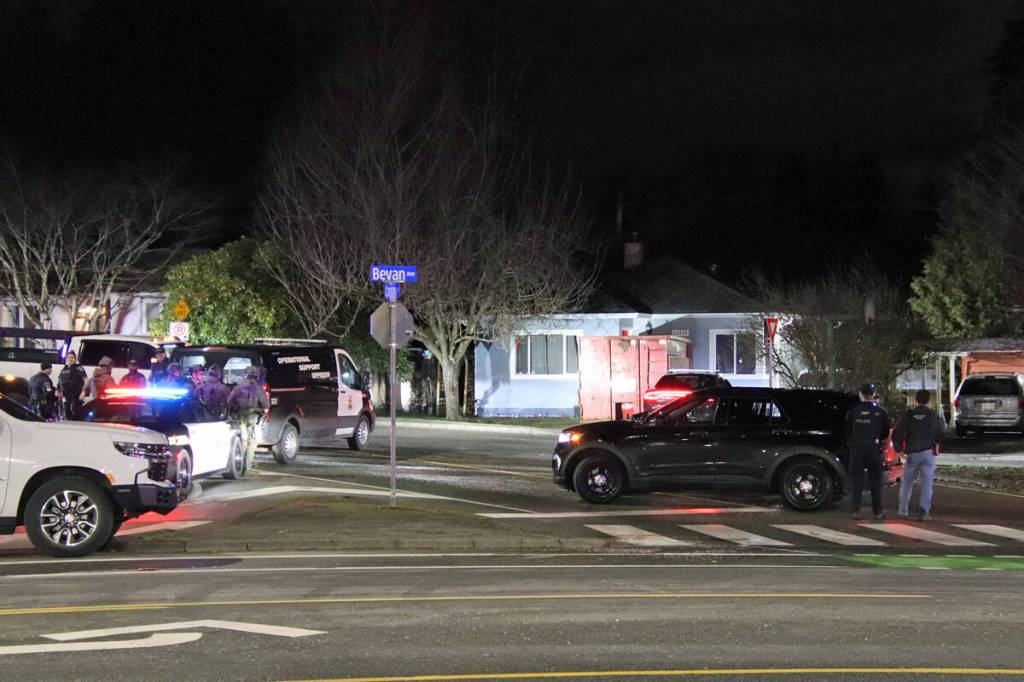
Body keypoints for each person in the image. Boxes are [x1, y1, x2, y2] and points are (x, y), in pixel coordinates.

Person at [893, 389, 946, 521]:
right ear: (928, 400)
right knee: (927, 483)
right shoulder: (932, 415)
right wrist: (937, 442)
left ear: (916, 400)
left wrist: (898, 449)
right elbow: (941, 433)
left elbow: (897, 432)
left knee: (907, 482)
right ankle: (924, 510)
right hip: (928, 451)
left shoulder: (910, 414)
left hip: (912, 452)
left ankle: (903, 510)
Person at [845, 383, 891, 520]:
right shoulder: (880, 412)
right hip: (873, 449)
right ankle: (878, 511)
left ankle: (855, 510)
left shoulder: (853, 412)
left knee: (856, 480)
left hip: (857, 449)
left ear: (860, 394)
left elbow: (848, 431)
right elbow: (885, 432)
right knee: (875, 482)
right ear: (873, 394)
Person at [228, 366, 270, 471]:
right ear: (256, 376)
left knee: (242, 440)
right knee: (253, 440)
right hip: (253, 418)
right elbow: (266, 404)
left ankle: (238, 463)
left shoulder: (238, 386)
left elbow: (229, 401)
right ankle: (247, 465)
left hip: (240, 417)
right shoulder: (258, 388)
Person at [56, 350, 88, 419]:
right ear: (67, 359)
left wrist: (84, 391)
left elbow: (86, 380)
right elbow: (59, 381)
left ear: (75, 359)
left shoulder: (78, 368)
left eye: (72, 357)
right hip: (66, 395)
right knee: (66, 412)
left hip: (76, 395)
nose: (70, 359)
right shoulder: (64, 369)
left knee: (75, 411)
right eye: (69, 357)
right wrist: (57, 390)